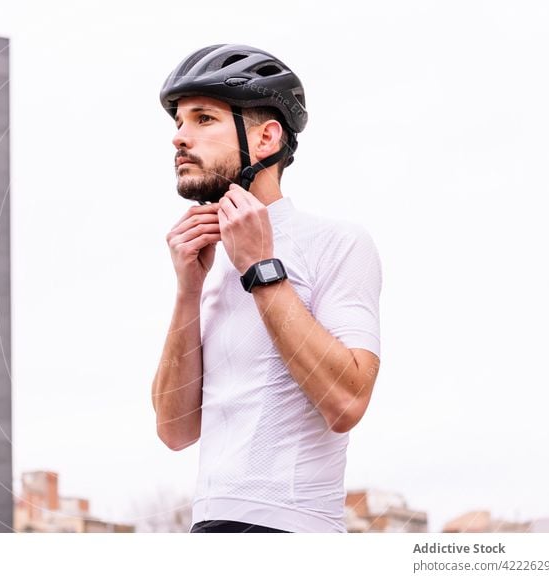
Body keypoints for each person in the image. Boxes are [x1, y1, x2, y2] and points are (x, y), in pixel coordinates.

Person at [151, 44, 382, 533]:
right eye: (178, 124)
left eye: (203, 119)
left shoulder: (337, 243)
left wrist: (260, 267)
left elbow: (347, 403)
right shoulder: (204, 260)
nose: (180, 138)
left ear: (265, 138)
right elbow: (174, 431)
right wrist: (187, 291)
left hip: (293, 529)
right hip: (207, 525)